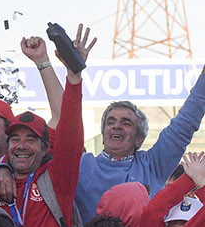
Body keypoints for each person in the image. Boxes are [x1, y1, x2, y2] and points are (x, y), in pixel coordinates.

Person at [0, 32, 88, 227]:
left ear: (45, 149)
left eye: (31, 139)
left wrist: (73, 78)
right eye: (15, 139)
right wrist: (0, 169)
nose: (21, 146)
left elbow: (70, 129)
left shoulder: (57, 178)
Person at [75, 62, 205, 218]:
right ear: (103, 134)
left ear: (139, 139)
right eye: (110, 122)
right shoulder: (82, 165)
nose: (116, 126)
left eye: (126, 123)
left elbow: (183, 126)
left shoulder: (152, 165)